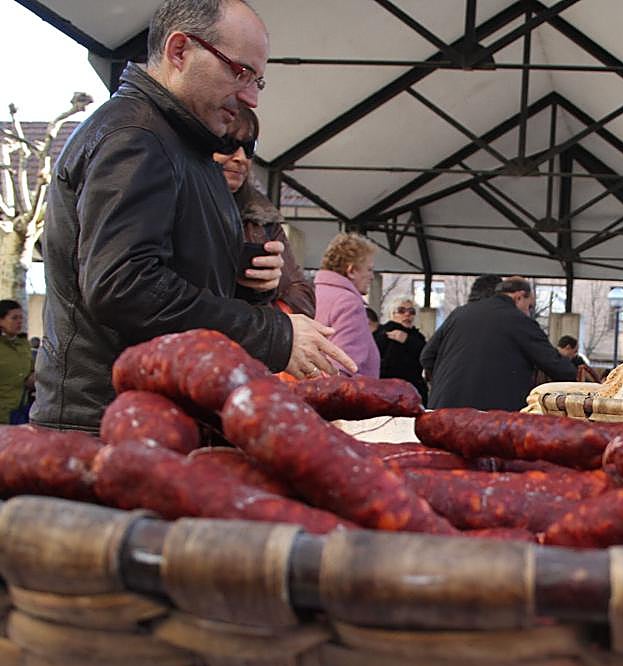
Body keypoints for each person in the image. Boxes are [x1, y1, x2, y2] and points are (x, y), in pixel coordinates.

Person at [33, 0, 352, 433]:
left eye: (258, 80)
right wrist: (271, 334)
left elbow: (169, 273)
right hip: (108, 422)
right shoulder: (137, 137)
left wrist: (245, 280)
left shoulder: (185, 144)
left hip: (154, 415)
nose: (250, 97)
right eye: (239, 72)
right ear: (180, 50)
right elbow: (123, 286)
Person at [213, 104, 315, 317]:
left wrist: (268, 289)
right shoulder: (173, 201)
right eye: (228, 143)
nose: (241, 157)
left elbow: (304, 299)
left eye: (250, 147)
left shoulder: (262, 218)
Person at [420, 276, 578, 410]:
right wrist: (585, 382)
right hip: (491, 416)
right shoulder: (519, 320)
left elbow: (426, 357)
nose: (529, 312)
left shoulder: (459, 313)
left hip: (441, 408)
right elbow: (555, 365)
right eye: (529, 306)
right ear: (519, 296)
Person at [314, 233, 380, 378]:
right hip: (337, 397)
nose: (372, 276)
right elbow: (344, 367)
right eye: (369, 269)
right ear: (351, 271)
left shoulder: (311, 293)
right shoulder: (348, 303)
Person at [376, 298, 429, 403]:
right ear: (392, 313)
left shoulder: (418, 337)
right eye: (401, 310)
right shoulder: (382, 333)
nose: (407, 314)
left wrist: (407, 340)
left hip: (414, 391)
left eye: (411, 311)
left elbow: (426, 355)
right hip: (387, 391)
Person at [0, 301, 34, 424]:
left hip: (19, 412)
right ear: (1, 320)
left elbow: (30, 370)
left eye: (21, 317)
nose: (19, 321)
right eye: (14, 318)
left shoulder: (24, 345)